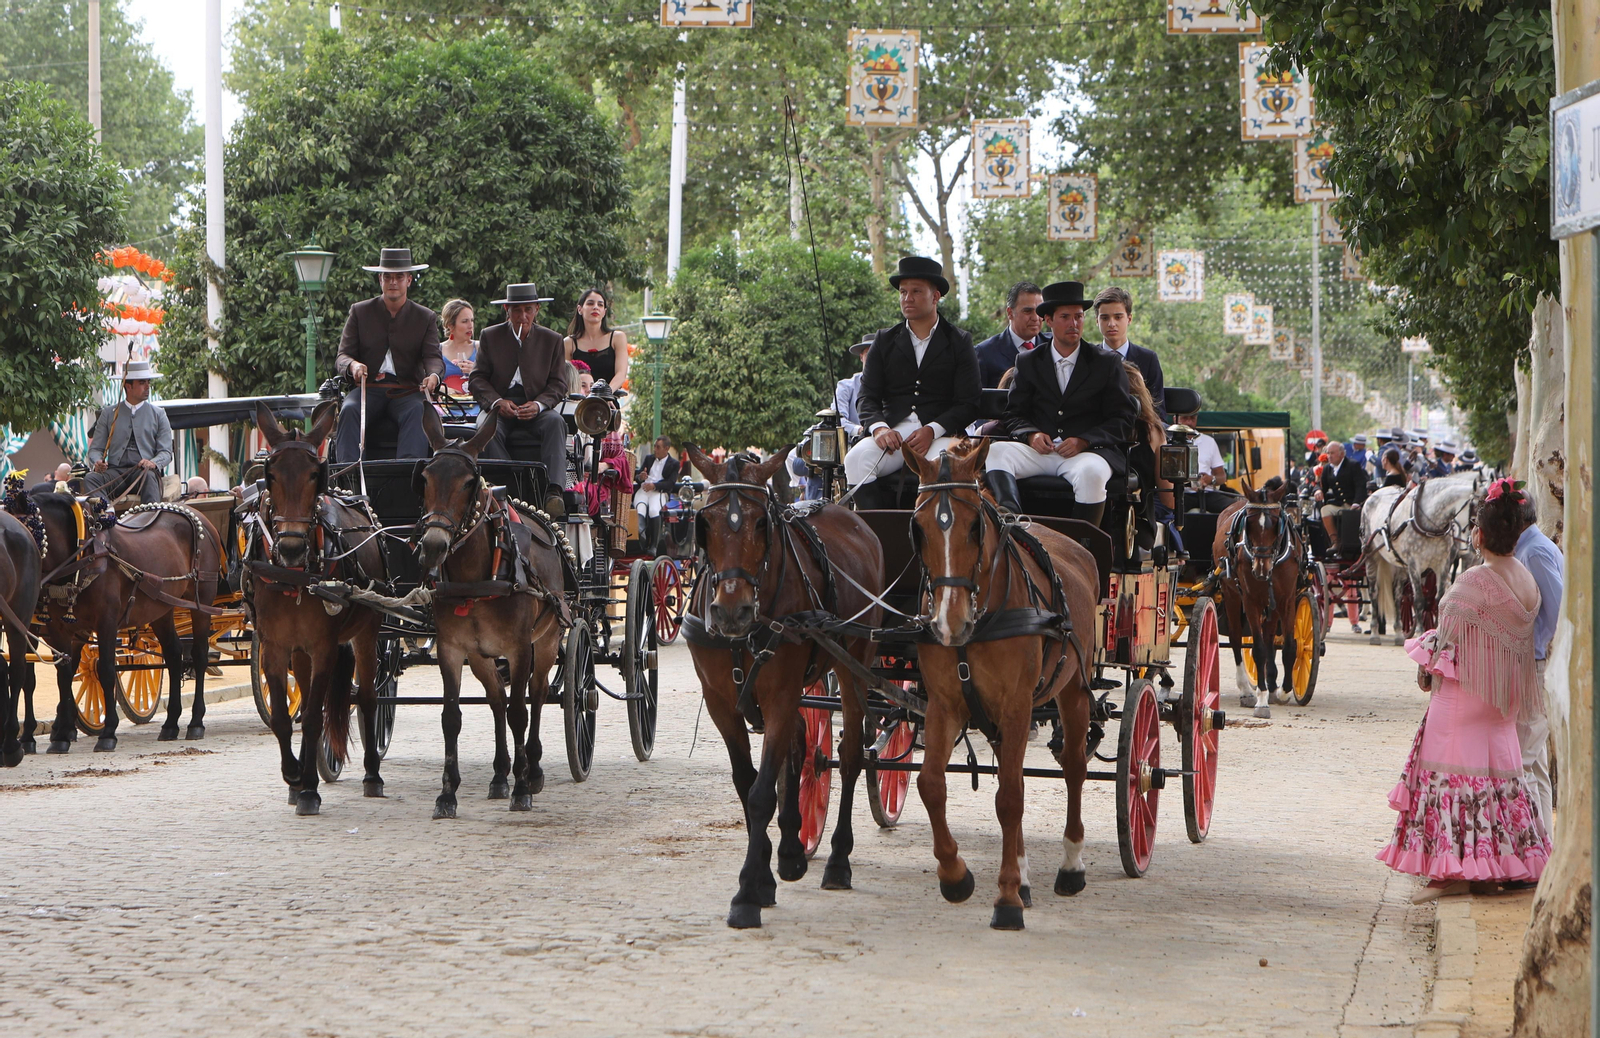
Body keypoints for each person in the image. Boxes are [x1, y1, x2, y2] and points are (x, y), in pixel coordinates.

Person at [1379, 478, 1550, 900]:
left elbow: (1445, 640)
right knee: (1500, 786)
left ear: (1478, 534)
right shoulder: (1528, 580)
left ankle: (1451, 874)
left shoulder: (1474, 580)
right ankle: (1489, 869)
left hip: (1464, 700)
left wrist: (1425, 671)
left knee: (1448, 782)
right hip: (1503, 704)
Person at [985, 280, 1137, 525]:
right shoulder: (1027, 361)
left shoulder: (1106, 363)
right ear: (1049, 320)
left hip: (1087, 453)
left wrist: (1084, 440)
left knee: (1092, 473)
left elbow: (1123, 419)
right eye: (1065, 316)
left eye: (1079, 316)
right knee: (996, 452)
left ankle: (1081, 544)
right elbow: (1014, 414)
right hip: (1038, 452)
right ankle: (1011, 524)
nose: (1074, 323)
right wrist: (1031, 435)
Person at [843, 256, 980, 496]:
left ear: (935, 296)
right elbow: (867, 397)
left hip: (942, 435)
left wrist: (932, 429)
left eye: (916, 291)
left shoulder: (959, 341)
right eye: (903, 292)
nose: (907, 298)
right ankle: (881, 532)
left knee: (947, 469)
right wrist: (880, 429)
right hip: (894, 434)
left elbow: (969, 402)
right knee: (855, 460)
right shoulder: (884, 341)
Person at [332, 248, 444, 463]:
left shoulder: (425, 316)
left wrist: (433, 376)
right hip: (369, 389)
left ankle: (406, 476)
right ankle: (348, 478)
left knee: (418, 411)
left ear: (409, 280)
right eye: (388, 277)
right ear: (380, 280)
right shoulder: (359, 311)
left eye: (399, 277)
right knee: (349, 409)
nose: (393, 282)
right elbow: (343, 355)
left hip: (407, 391)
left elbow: (433, 356)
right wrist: (353, 366)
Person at [468, 282, 569, 517]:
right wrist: (497, 402)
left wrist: (538, 405)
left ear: (536, 310)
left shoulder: (552, 339)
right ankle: (509, 488)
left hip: (536, 406)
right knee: (485, 426)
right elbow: (477, 379)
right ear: (506, 310)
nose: (522, 316)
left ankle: (554, 491)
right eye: (516, 310)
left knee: (556, 422)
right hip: (500, 405)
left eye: (528, 310)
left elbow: (558, 384)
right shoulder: (490, 336)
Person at [1513, 493, 1562, 834]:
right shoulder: (1529, 547)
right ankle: (1542, 845)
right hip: (1536, 660)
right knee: (1536, 764)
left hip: (1536, 662)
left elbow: (1557, 611)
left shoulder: (1535, 550)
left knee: (1524, 761)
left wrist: (1540, 647)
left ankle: (1533, 845)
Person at [84, 359, 172, 504]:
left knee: (149, 477)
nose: (148, 386)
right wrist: (97, 462)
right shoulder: (109, 413)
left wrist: (153, 463)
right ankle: (106, 515)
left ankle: (151, 518)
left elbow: (166, 452)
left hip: (143, 473)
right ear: (128, 386)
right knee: (91, 479)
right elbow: (95, 449)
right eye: (142, 383)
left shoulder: (159, 414)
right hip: (115, 473)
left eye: (148, 382)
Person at [1092, 285, 1167, 423]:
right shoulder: (1088, 358)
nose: (1111, 323)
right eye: (1105, 318)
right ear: (1097, 321)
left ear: (1129, 319)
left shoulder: (1148, 359)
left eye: (1118, 317)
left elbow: (1158, 411)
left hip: (1140, 434)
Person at [974, 281, 1044, 390]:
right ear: (1010, 313)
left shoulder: (1053, 346)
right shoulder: (984, 353)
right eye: (1028, 311)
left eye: (1039, 311)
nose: (1035, 318)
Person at [564, 287, 630, 389]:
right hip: (580, 402)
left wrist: (605, 394)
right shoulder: (569, 343)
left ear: (604, 312)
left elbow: (621, 374)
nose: (595, 307)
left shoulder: (617, 338)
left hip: (609, 401)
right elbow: (566, 378)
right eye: (590, 303)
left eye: (600, 304)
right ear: (580, 309)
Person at [1177, 412, 1233, 512]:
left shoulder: (1209, 441)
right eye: (1185, 418)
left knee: (1234, 509)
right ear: (1175, 419)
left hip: (1208, 494)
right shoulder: (1168, 441)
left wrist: (1210, 479)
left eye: (1193, 419)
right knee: (1171, 510)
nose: (1189, 422)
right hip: (1180, 493)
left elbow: (1222, 476)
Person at [634, 437, 680, 555]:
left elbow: (670, 483)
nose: (655, 449)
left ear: (666, 448)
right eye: (654, 446)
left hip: (659, 492)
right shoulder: (649, 459)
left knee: (654, 510)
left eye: (658, 447)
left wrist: (654, 485)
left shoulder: (674, 464)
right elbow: (638, 476)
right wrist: (641, 477)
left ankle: (653, 545)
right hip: (644, 490)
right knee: (640, 508)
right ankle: (641, 535)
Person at [1318, 440, 1369, 543]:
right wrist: (1318, 491)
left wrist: (1356, 502)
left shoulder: (1352, 465)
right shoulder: (1327, 468)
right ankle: (1335, 542)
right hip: (1338, 504)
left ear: (1342, 454)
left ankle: (1351, 544)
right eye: (1328, 453)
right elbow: (1322, 486)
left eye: (1332, 453)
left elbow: (1360, 485)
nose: (1329, 456)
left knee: (1351, 516)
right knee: (1325, 510)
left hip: (1353, 504)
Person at [834, 333, 874, 439]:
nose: (873, 359)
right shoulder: (845, 386)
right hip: (851, 445)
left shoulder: (893, 388)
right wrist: (860, 430)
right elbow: (837, 420)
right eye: (869, 354)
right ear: (861, 357)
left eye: (877, 355)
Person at [438, 298, 477, 394]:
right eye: (465, 321)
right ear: (450, 326)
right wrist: (444, 390)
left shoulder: (480, 348)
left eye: (472, 320)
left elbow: (496, 381)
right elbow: (425, 381)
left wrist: (476, 371)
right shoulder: (437, 350)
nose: (470, 325)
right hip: (445, 405)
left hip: (476, 404)